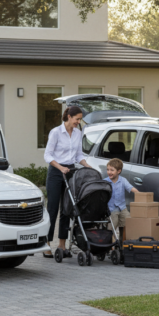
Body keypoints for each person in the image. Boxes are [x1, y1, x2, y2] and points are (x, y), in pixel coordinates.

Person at [43, 105, 92, 258]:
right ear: (69, 117)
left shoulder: (78, 133)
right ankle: (46, 244)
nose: (78, 122)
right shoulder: (56, 132)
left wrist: (87, 166)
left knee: (66, 209)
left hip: (70, 172)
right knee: (52, 209)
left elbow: (78, 155)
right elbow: (47, 155)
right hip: (56, 172)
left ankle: (62, 245)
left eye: (80, 119)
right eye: (77, 119)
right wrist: (60, 167)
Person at [104, 158, 138, 234]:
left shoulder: (123, 180)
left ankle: (123, 240)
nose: (109, 172)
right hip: (111, 209)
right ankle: (110, 240)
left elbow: (130, 187)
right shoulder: (105, 182)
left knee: (128, 222)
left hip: (122, 208)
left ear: (119, 171)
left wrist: (139, 193)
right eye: (108, 170)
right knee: (111, 227)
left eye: (112, 170)